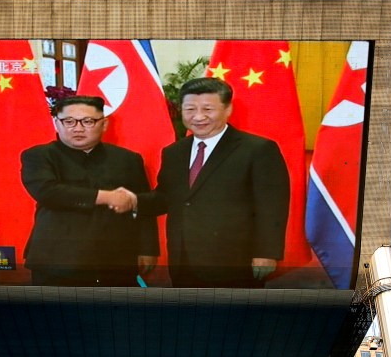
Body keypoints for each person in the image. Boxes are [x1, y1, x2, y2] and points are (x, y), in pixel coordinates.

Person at [133, 77, 290, 288]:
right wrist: (129, 201)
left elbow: (272, 205)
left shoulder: (257, 149)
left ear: (228, 109)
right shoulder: (174, 152)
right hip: (183, 259)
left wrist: (266, 252)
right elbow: (166, 197)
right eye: (190, 109)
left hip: (234, 261)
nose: (198, 117)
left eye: (208, 109)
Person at [20, 95, 159, 286]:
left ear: (104, 124)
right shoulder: (39, 156)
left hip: (116, 260)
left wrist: (148, 249)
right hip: (56, 259)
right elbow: (48, 192)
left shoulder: (128, 159)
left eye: (88, 121)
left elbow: (143, 205)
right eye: (68, 121)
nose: (77, 128)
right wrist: (106, 197)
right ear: (56, 123)